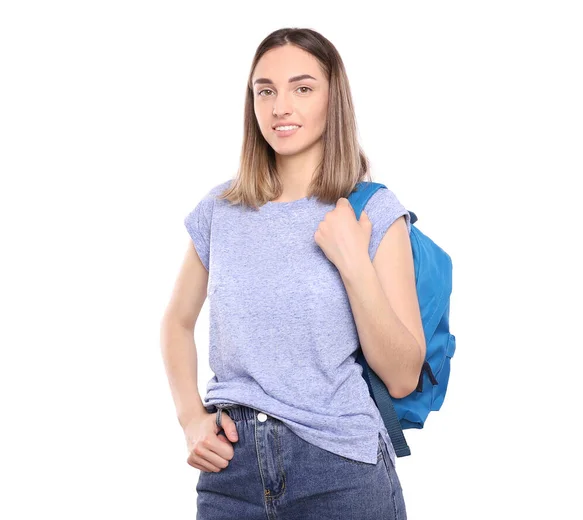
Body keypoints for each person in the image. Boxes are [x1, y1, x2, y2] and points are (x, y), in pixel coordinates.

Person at [161, 27, 425, 519]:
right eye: (266, 90)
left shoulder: (373, 211)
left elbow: (404, 374)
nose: (280, 106)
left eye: (302, 88)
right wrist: (191, 420)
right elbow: (176, 322)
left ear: (333, 99)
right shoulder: (221, 209)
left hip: (340, 469)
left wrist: (352, 262)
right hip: (230, 475)